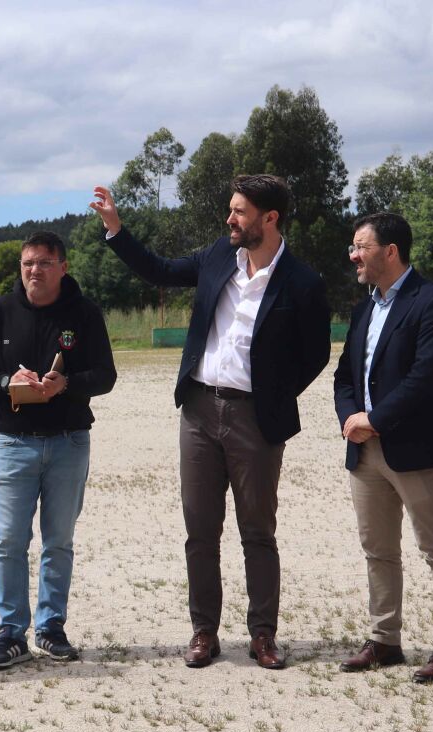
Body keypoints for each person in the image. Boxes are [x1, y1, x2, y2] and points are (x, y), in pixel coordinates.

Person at [90, 176, 330, 670]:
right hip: (198, 412)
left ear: (270, 219)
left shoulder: (303, 282)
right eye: (230, 210)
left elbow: (316, 354)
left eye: (239, 211)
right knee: (200, 530)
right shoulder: (218, 256)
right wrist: (116, 230)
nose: (229, 220)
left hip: (257, 418)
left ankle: (263, 635)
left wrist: (273, 395)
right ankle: (204, 632)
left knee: (258, 532)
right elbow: (159, 270)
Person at [0, 231, 117, 669]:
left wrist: (67, 384)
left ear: (63, 267)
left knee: (59, 541)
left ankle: (51, 629)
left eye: (45, 263)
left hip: (69, 442)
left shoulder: (85, 314)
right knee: (9, 540)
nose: (35, 270)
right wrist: (3, 384)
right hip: (14, 443)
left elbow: (106, 376)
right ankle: (11, 633)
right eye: (28, 263)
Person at [332, 213, 433, 683]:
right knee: (378, 550)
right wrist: (351, 420)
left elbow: (426, 378)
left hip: (417, 449)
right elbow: (344, 376)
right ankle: (384, 640)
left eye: (360, 246)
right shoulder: (362, 308)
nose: (353, 255)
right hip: (365, 453)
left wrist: (374, 419)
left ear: (390, 251)